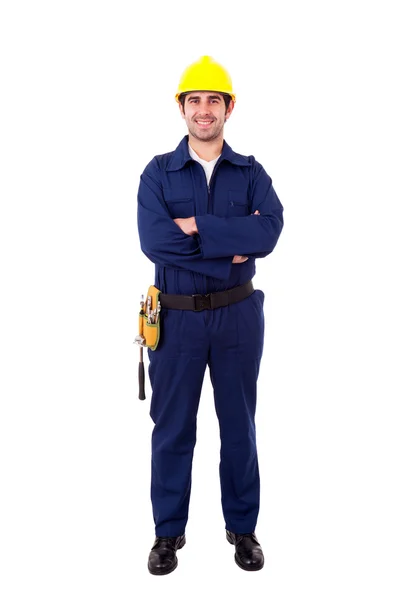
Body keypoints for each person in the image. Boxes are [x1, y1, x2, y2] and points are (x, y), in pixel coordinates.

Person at [137, 55, 284, 575]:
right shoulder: (157, 172)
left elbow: (269, 232)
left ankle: (242, 530)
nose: (204, 110)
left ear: (229, 109)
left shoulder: (251, 172)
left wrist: (195, 226)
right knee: (172, 427)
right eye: (194, 100)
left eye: (213, 101)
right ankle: (166, 534)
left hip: (238, 318)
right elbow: (155, 240)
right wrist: (230, 242)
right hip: (175, 320)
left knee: (239, 427)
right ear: (182, 108)